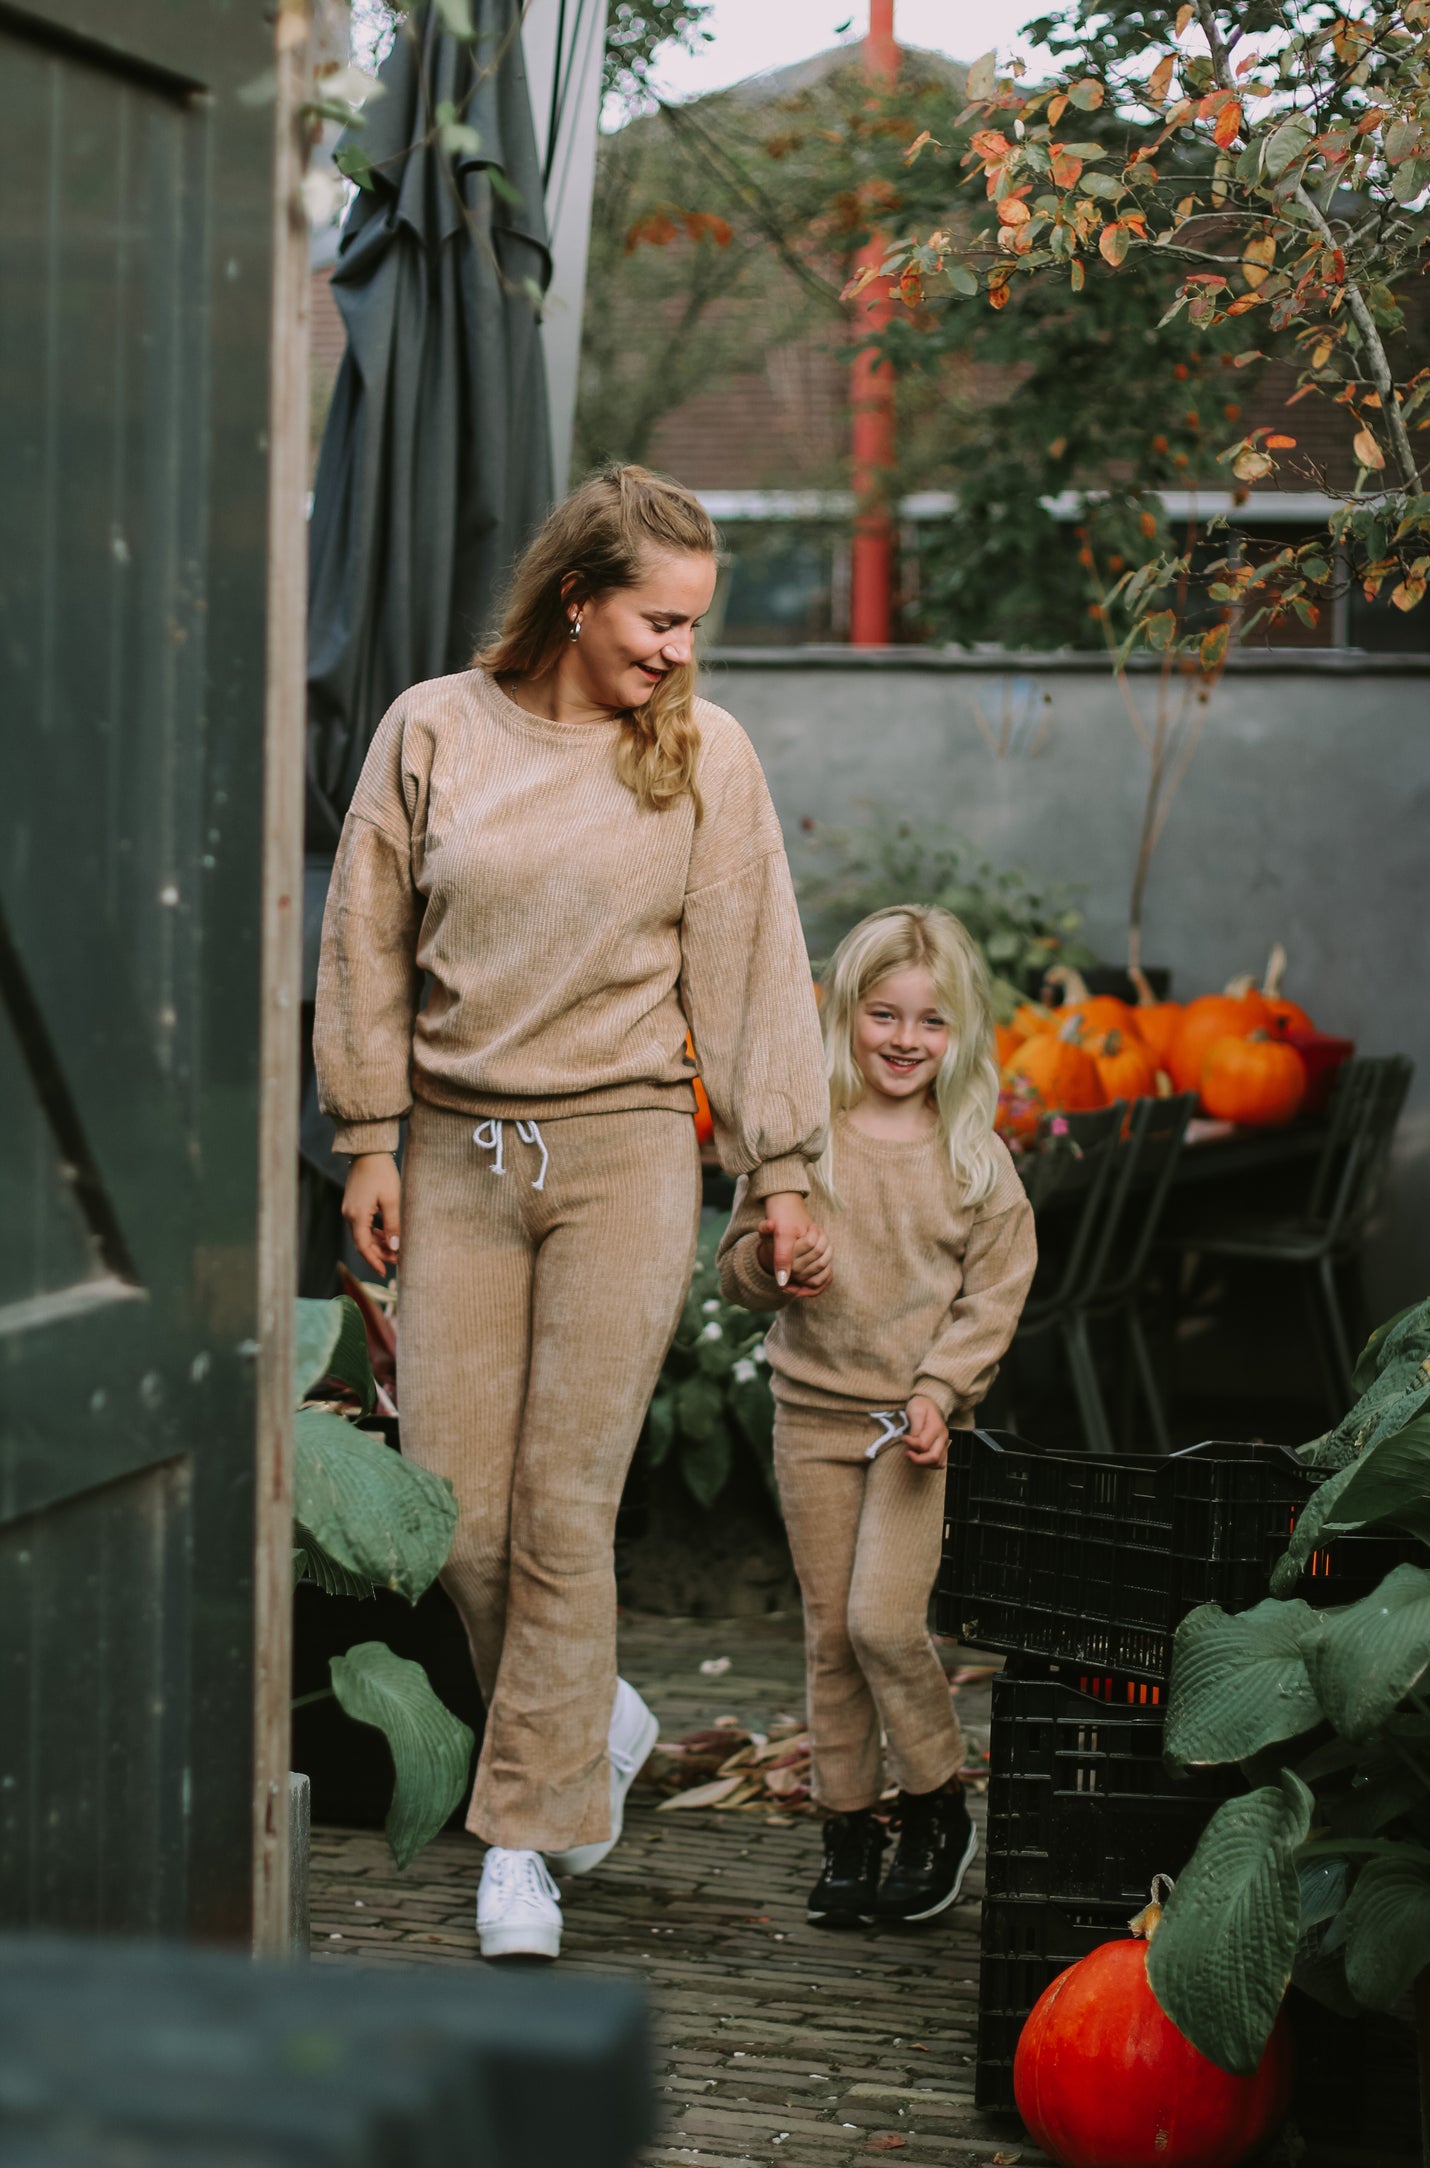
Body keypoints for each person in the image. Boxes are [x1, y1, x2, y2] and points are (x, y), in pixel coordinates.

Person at [314, 465, 830, 1962]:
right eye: (658, 621)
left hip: (624, 1158)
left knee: (562, 1507)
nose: (680, 650)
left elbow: (752, 966)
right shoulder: (432, 729)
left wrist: (781, 1170)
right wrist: (367, 1138)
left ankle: (522, 1845)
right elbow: (364, 938)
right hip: (456, 1156)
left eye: (693, 625)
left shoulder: (703, 754)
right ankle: (587, 1711)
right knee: (457, 1514)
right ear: (575, 597)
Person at [718, 904, 1036, 1929]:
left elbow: (993, 1295)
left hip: (913, 1430)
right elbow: (734, 1271)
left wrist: (940, 1392)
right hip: (809, 1417)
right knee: (828, 1636)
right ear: (844, 1014)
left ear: (960, 1034)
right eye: (883, 1014)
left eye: (930, 1020)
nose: (904, 1039)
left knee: (882, 1623)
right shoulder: (801, 1143)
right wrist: (773, 1264)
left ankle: (936, 1800)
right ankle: (848, 1825)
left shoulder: (973, 1159)